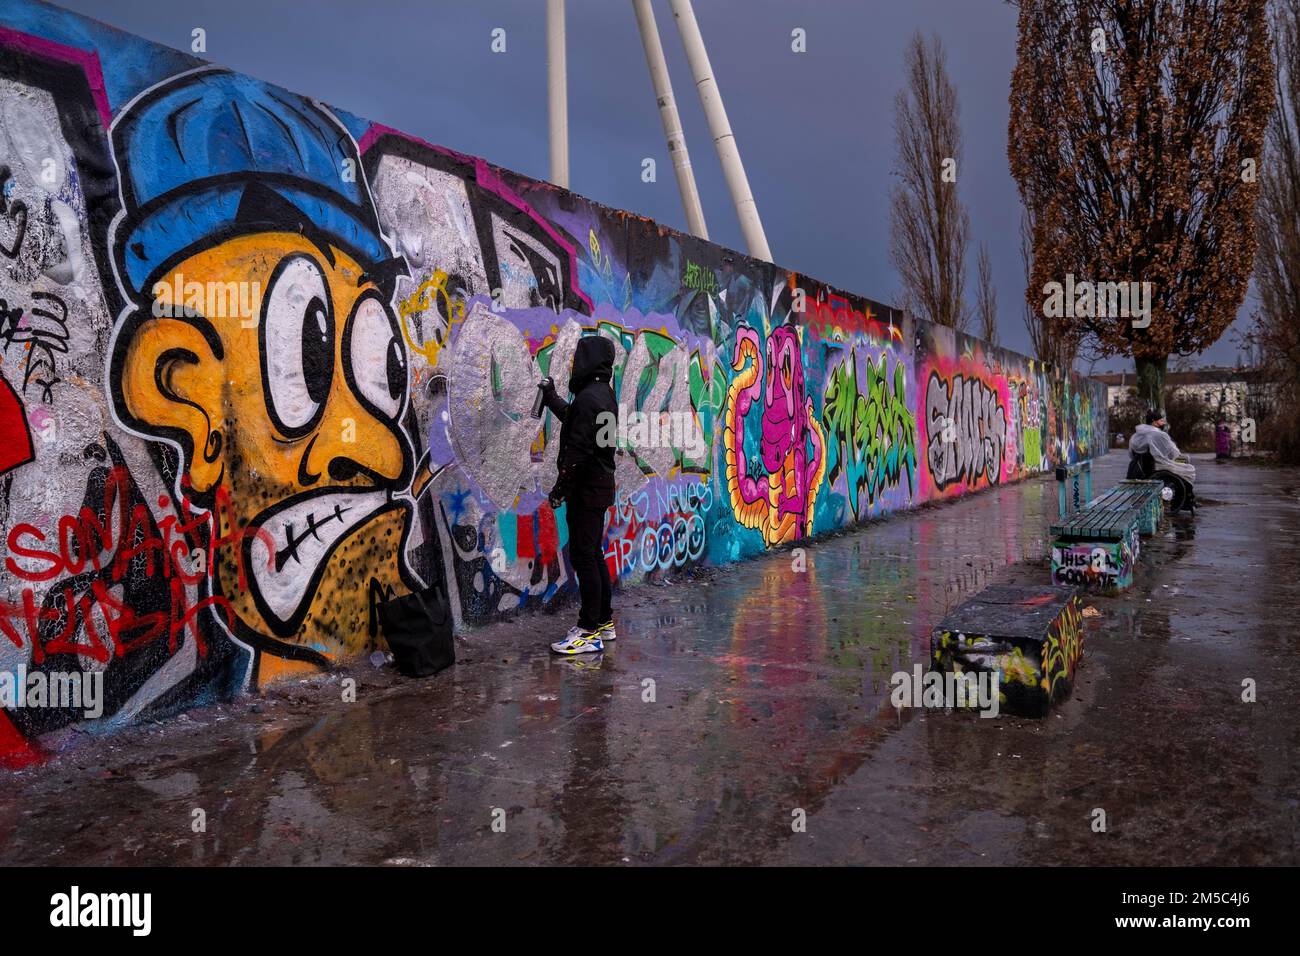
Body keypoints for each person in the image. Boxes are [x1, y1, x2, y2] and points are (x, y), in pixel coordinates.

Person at [539, 336, 618, 654]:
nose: (574, 361)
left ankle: (588, 631)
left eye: (578, 356)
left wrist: (560, 490)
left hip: (586, 491)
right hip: (599, 487)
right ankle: (603, 622)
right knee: (593, 553)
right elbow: (578, 424)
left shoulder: (589, 398)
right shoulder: (603, 395)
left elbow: (579, 451)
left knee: (584, 556)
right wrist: (552, 398)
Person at [1128, 409, 1196, 484]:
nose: (1163, 423)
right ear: (1154, 422)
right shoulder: (1159, 435)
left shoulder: (1135, 435)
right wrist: (1182, 458)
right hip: (1156, 467)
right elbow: (1172, 454)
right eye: (1161, 421)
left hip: (1136, 468)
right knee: (1188, 467)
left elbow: (1131, 454)